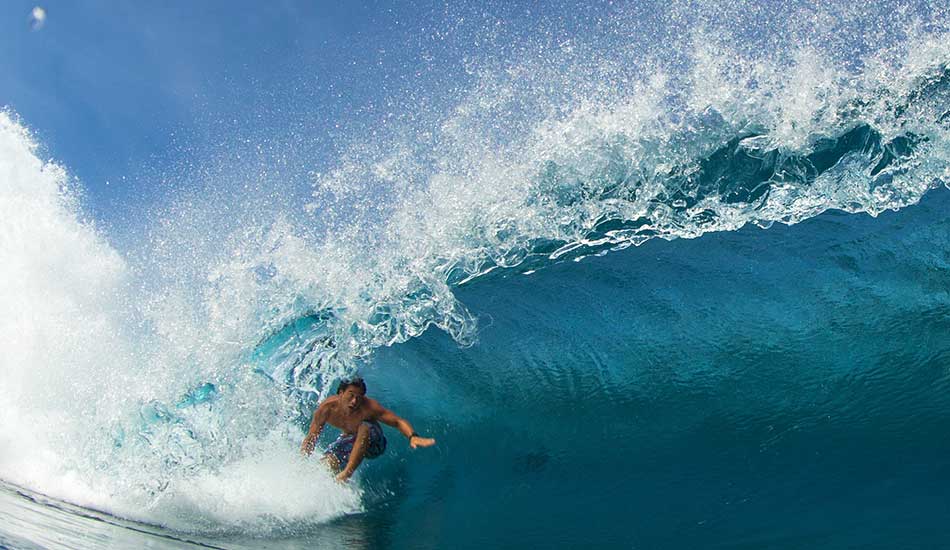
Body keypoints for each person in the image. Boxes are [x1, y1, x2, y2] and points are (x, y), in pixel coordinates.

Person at [300, 377, 436, 482]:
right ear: (341, 393)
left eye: (359, 397)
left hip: (374, 444)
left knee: (364, 426)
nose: (354, 401)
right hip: (351, 441)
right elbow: (311, 437)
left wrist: (413, 436)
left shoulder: (368, 407)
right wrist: (301, 464)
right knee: (327, 464)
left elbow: (397, 421)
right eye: (351, 395)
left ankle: (346, 474)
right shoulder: (326, 409)